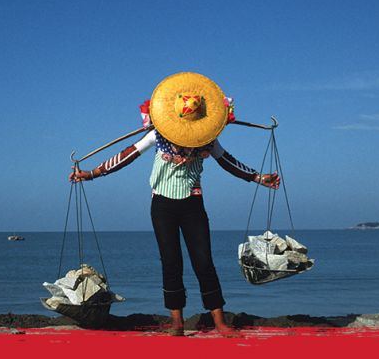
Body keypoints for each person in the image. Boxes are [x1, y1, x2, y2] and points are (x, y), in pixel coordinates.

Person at [69, 72, 280, 336]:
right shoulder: (158, 135)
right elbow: (126, 156)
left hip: (193, 204)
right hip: (162, 205)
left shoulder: (206, 139)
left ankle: (219, 322)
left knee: (204, 262)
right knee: (171, 262)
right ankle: (177, 322)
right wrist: (92, 174)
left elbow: (228, 161)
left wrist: (258, 178)